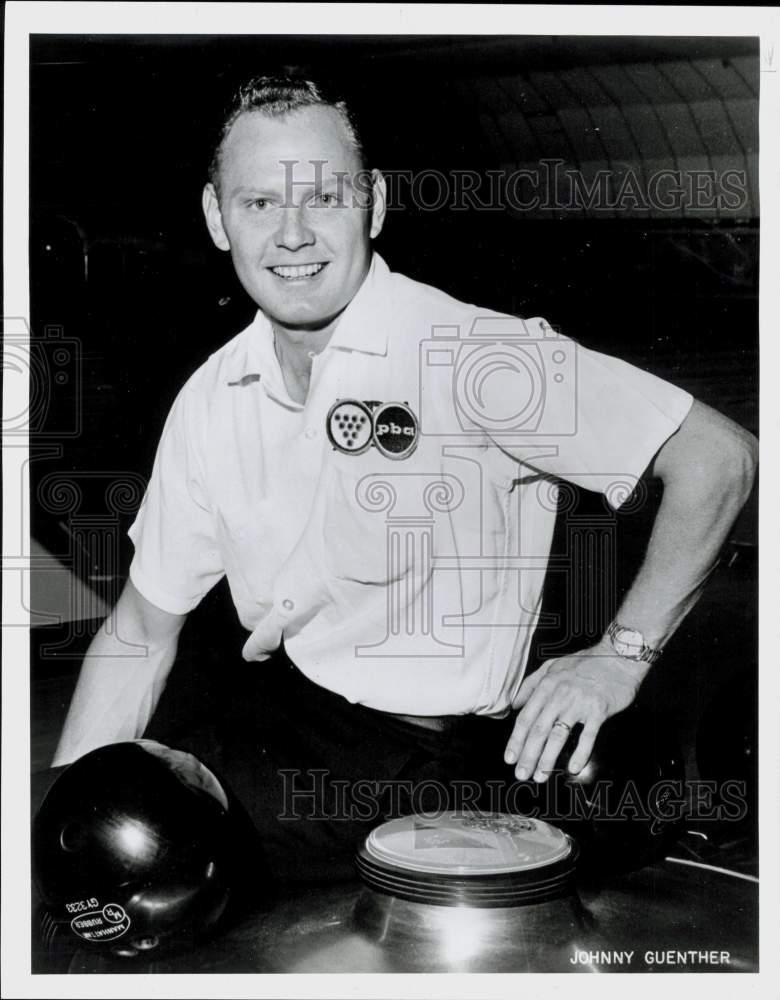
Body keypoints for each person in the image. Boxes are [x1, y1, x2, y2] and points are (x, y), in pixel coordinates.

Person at [50, 75, 758, 881]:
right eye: (258, 205)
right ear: (217, 218)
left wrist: (621, 655)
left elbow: (719, 456)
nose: (292, 235)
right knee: (109, 852)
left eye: (323, 197)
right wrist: (68, 810)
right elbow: (139, 634)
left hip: (452, 764)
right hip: (290, 726)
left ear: (375, 205)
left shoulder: (471, 355)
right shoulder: (214, 396)